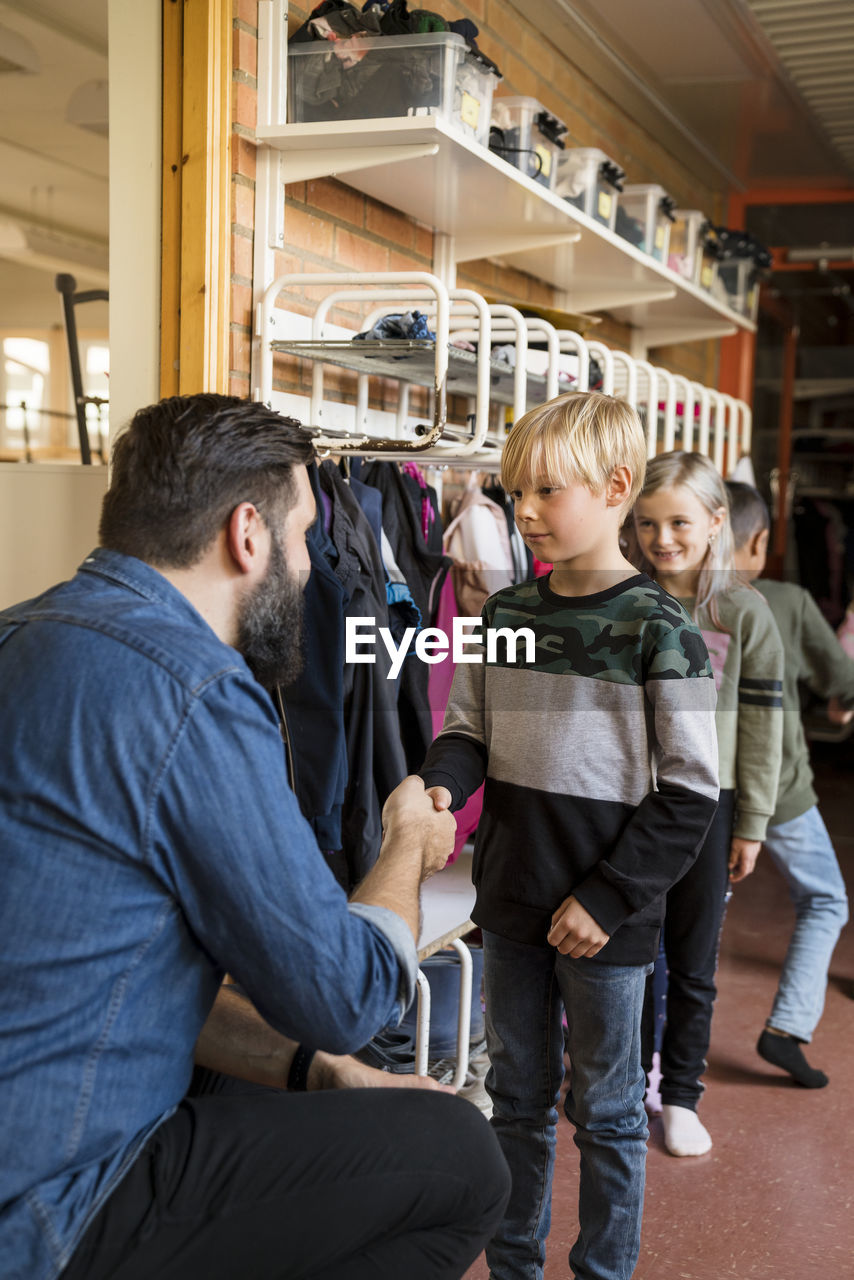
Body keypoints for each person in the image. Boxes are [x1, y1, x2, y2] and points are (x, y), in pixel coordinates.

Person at [0, 393, 510, 1280]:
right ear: (248, 534)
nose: (313, 567)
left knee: (277, 1076)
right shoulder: (192, 685)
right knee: (460, 1158)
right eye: (306, 536)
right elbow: (347, 998)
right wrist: (403, 848)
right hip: (47, 1206)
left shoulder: (20, 636)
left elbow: (116, 983)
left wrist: (320, 1070)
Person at [419, 392, 720, 1280]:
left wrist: (608, 897)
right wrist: (440, 786)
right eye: (516, 495)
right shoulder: (507, 615)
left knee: (610, 1112)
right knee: (513, 1100)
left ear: (616, 486)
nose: (525, 512)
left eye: (546, 491)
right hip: (509, 905)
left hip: (606, 921)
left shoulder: (662, 631)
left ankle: (603, 1271)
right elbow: (468, 732)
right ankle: (515, 1267)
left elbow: (691, 795)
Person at [630, 452, 784, 1157]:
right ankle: (627, 1084)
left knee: (691, 962)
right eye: (648, 524)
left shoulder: (745, 613)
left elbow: (763, 728)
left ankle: (682, 1095)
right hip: (630, 803)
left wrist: (750, 823)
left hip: (705, 808)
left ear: (715, 523)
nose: (663, 539)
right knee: (629, 952)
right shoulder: (625, 599)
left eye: (679, 523)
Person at [726, 479, 852, 1087]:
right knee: (825, 899)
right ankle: (786, 1028)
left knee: (686, 925)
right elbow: (840, 680)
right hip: (778, 789)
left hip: (707, 789)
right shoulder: (787, 600)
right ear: (759, 542)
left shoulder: (668, 603)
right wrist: (843, 704)